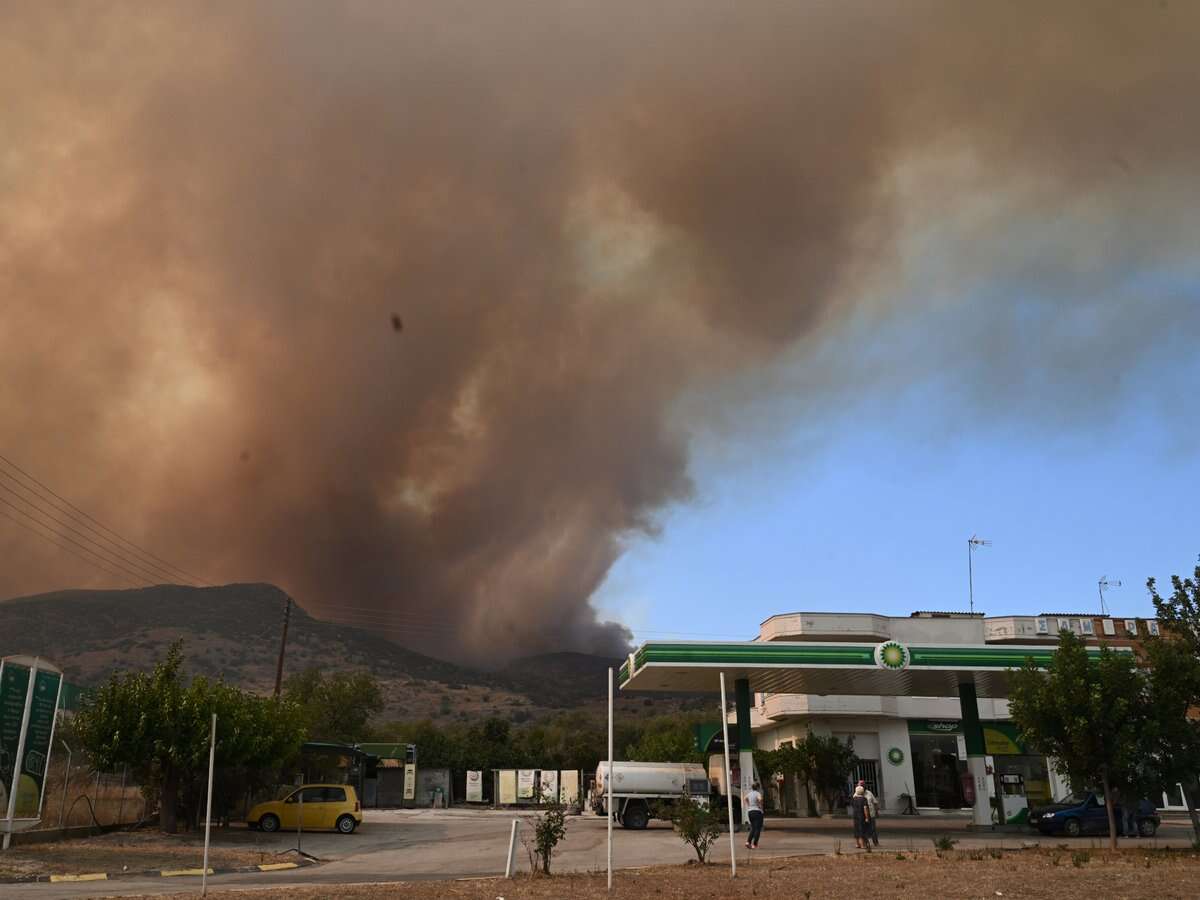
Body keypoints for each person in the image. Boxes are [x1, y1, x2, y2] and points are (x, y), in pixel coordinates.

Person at [858, 780, 880, 846]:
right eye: (860, 785)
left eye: (862, 785)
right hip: (862, 816)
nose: (862, 787)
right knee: (863, 829)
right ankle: (865, 843)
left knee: (873, 829)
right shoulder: (856, 794)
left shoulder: (869, 793)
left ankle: (875, 842)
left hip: (871, 814)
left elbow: (875, 803)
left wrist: (877, 811)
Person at [850, 784, 871, 850]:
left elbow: (853, 806)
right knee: (862, 830)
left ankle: (857, 844)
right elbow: (865, 809)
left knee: (856, 829)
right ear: (862, 791)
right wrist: (867, 817)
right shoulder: (864, 799)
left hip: (855, 816)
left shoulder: (854, 799)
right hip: (862, 816)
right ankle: (862, 845)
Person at [744, 782, 765, 850]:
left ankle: (748, 842)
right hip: (757, 812)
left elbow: (745, 798)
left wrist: (749, 805)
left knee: (753, 827)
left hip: (750, 812)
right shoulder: (758, 793)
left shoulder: (749, 793)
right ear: (758, 787)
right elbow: (760, 799)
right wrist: (760, 806)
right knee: (758, 829)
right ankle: (755, 844)